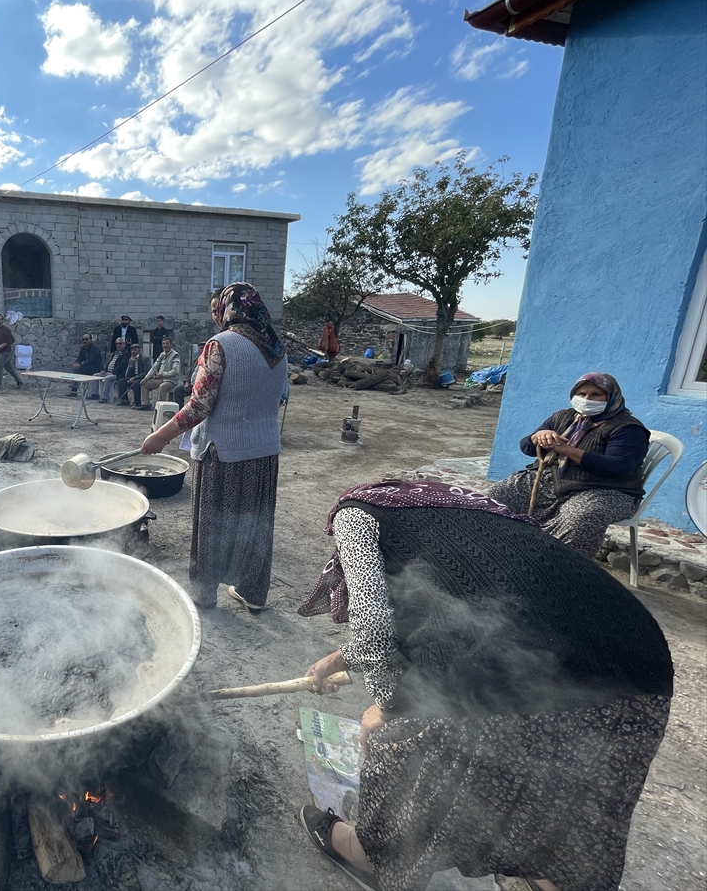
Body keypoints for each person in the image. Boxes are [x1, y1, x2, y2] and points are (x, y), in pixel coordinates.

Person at [296, 479, 672, 891]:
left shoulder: (355, 513)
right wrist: (336, 660)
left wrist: (384, 709)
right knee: (574, 785)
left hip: (526, 670)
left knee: (405, 748)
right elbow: (445, 609)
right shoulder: (478, 510)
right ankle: (551, 877)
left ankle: (366, 852)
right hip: (641, 663)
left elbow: (374, 632)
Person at [140, 282, 287, 611]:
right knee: (255, 524)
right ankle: (252, 593)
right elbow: (275, 397)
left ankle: (205, 594)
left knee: (212, 524)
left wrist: (160, 436)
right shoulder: (278, 349)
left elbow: (198, 406)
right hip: (264, 453)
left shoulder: (219, 345)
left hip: (223, 453)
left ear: (227, 308)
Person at [487, 372, 649, 557]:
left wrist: (567, 450)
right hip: (554, 481)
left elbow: (618, 467)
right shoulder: (563, 417)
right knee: (497, 495)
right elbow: (527, 447)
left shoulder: (628, 428)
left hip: (605, 490)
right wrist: (537, 437)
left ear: (612, 397)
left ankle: (565, 569)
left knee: (581, 517)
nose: (587, 399)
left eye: (596, 395)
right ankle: (504, 553)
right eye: (582, 394)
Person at [138, 335, 181, 409]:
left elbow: (175, 371)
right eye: (163, 344)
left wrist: (163, 375)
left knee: (162, 387)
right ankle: (145, 404)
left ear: (171, 345)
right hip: (160, 379)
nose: (165, 345)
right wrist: (146, 378)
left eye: (167, 343)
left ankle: (159, 408)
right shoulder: (162, 355)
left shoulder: (175, 355)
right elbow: (154, 367)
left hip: (171, 381)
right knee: (144, 384)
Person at [0, 313, 23, 390]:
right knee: (9, 368)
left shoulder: (5, 330)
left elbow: (12, 340)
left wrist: (3, 345)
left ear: (2, 320)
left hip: (6, 351)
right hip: (0, 352)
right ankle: (19, 381)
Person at [94, 336, 129, 403]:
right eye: (117, 344)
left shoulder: (126, 354)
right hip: (109, 372)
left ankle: (104, 397)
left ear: (124, 344)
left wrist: (113, 372)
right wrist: (104, 370)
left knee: (108, 378)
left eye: (120, 344)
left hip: (118, 374)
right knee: (95, 375)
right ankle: (94, 394)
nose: (118, 345)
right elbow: (109, 363)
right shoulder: (115, 353)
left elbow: (122, 365)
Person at [68, 331, 103, 397]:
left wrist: (80, 366)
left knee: (80, 370)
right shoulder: (83, 348)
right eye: (83, 339)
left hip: (96, 368)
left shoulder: (95, 349)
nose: (85, 341)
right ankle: (74, 390)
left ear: (90, 340)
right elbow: (79, 358)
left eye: (86, 339)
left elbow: (91, 360)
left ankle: (74, 388)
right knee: (76, 369)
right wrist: (76, 364)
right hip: (88, 366)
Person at [117, 342, 151, 408]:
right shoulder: (131, 359)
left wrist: (135, 377)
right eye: (132, 350)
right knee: (122, 381)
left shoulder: (144, 359)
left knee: (136, 384)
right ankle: (124, 399)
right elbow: (128, 374)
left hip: (142, 378)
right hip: (134, 377)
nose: (133, 352)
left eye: (135, 350)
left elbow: (146, 372)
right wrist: (131, 365)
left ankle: (137, 402)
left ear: (139, 350)